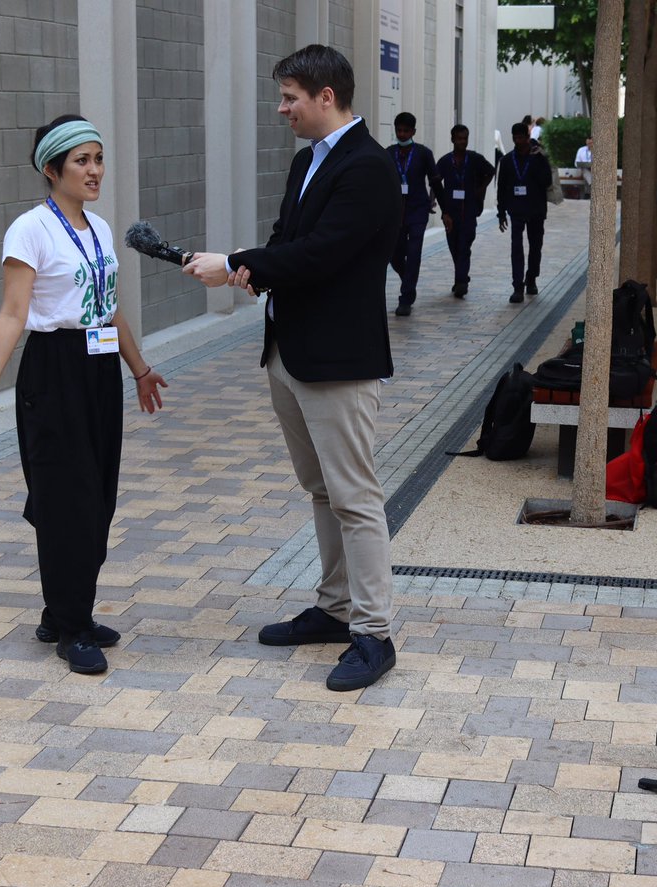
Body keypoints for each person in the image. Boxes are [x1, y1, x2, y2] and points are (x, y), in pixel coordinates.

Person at [183, 44, 400, 692]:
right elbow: (288, 243)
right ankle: (335, 609)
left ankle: (374, 633)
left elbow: (325, 254)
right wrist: (253, 269)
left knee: (355, 498)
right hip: (290, 354)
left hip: (338, 361)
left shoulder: (369, 167)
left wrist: (236, 259)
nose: (282, 110)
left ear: (325, 97)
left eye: (289, 98)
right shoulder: (309, 161)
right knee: (321, 490)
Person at [0, 114, 167, 676]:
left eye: (98, 159)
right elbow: (13, 313)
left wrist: (139, 369)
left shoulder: (96, 228)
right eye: (82, 161)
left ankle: (64, 606)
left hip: (98, 371)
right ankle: (72, 626)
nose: (95, 171)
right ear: (52, 168)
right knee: (67, 498)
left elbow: (108, 305)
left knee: (97, 497)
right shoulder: (31, 230)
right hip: (54, 369)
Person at [387, 111, 440, 316]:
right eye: (398, 130)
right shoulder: (388, 153)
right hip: (395, 213)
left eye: (406, 130)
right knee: (395, 255)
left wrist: (438, 203)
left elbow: (435, 180)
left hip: (418, 210)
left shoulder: (423, 153)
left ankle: (406, 298)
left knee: (415, 252)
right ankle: (408, 278)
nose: (401, 134)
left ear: (413, 131)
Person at [435, 124, 496, 298]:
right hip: (451, 212)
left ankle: (461, 282)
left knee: (464, 246)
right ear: (452, 139)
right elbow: (436, 182)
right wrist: (433, 201)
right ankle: (460, 277)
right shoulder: (446, 161)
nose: (463, 142)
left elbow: (490, 171)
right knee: (454, 246)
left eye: (465, 138)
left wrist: (480, 189)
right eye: (459, 138)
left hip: (469, 211)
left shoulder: (475, 158)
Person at [497, 121, 552, 303]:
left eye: (521, 137)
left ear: (528, 138)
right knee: (516, 247)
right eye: (515, 138)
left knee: (535, 246)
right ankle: (517, 286)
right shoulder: (506, 161)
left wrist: (537, 160)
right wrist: (501, 212)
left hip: (536, 209)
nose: (518, 141)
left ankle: (532, 278)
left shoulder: (539, 157)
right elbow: (502, 187)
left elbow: (547, 181)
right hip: (516, 209)